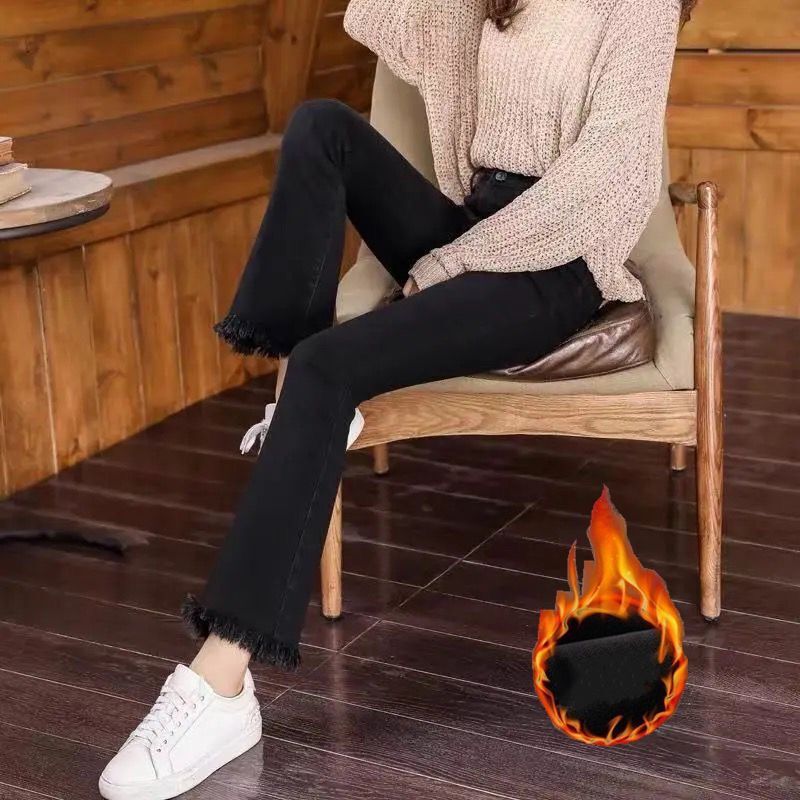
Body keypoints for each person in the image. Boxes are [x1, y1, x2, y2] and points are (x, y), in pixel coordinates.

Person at [98, 0, 693, 797]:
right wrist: (458, 248)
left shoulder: (640, 6)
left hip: (554, 264)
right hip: (471, 223)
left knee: (328, 368)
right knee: (321, 126)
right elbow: (384, 15)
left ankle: (221, 685)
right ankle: (303, 405)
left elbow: (608, 182)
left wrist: (454, 264)